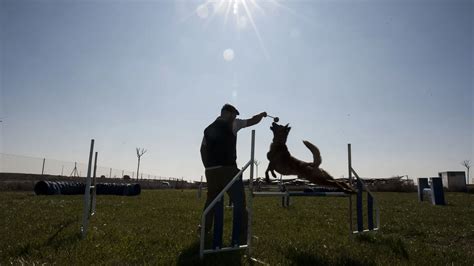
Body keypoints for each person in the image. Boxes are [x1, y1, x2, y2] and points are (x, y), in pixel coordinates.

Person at [200, 104, 267, 245]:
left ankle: (204, 230)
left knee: (212, 200)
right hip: (228, 169)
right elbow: (252, 120)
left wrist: (208, 167)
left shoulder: (208, 129)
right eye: (235, 114)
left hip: (211, 171)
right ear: (230, 114)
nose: (236, 117)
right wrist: (262, 114)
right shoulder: (233, 123)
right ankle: (242, 235)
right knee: (239, 201)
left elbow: (202, 150)